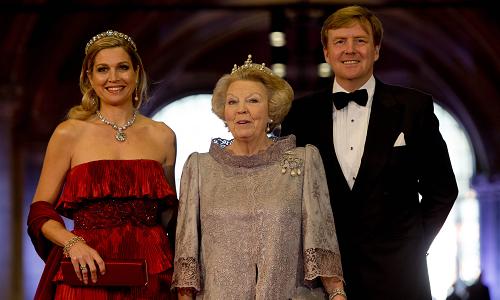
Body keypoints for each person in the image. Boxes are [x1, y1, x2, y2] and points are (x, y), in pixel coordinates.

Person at [281, 5, 459, 300]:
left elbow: (442, 190)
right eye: (340, 41)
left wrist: (411, 245)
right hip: (324, 281)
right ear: (326, 53)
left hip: (400, 277)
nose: (350, 49)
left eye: (360, 40)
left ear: (376, 50)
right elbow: (289, 195)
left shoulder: (414, 108)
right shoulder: (299, 115)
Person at [171, 55, 345, 299]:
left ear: (271, 110)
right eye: (232, 102)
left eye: (252, 100)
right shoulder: (199, 168)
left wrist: (338, 294)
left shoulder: (303, 161)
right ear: (224, 112)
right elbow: (187, 254)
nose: (241, 108)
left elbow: (321, 242)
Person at [27, 30, 178, 299]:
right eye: (102, 69)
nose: (113, 78)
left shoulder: (163, 135)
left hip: (151, 271)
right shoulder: (69, 133)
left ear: (136, 72)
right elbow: (40, 212)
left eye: (122, 67)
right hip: (87, 269)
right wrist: (72, 244)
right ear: (89, 77)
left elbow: (170, 216)